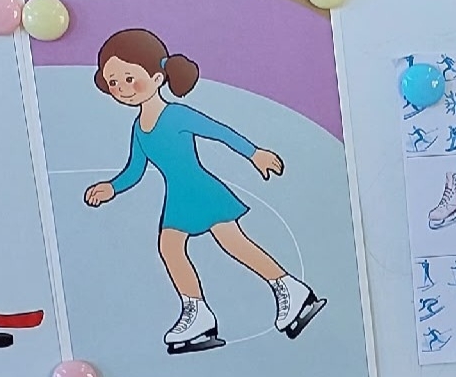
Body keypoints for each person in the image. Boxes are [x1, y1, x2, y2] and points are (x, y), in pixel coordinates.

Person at [84, 27, 324, 356]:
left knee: (233, 243)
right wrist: (111, 187)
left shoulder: (176, 114)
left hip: (202, 190)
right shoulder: (139, 128)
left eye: (128, 78)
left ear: (157, 78)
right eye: (113, 82)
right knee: (170, 248)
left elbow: (218, 131)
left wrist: (254, 153)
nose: (121, 88)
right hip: (178, 197)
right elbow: (135, 170)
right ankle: (197, 314)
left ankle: (290, 289)